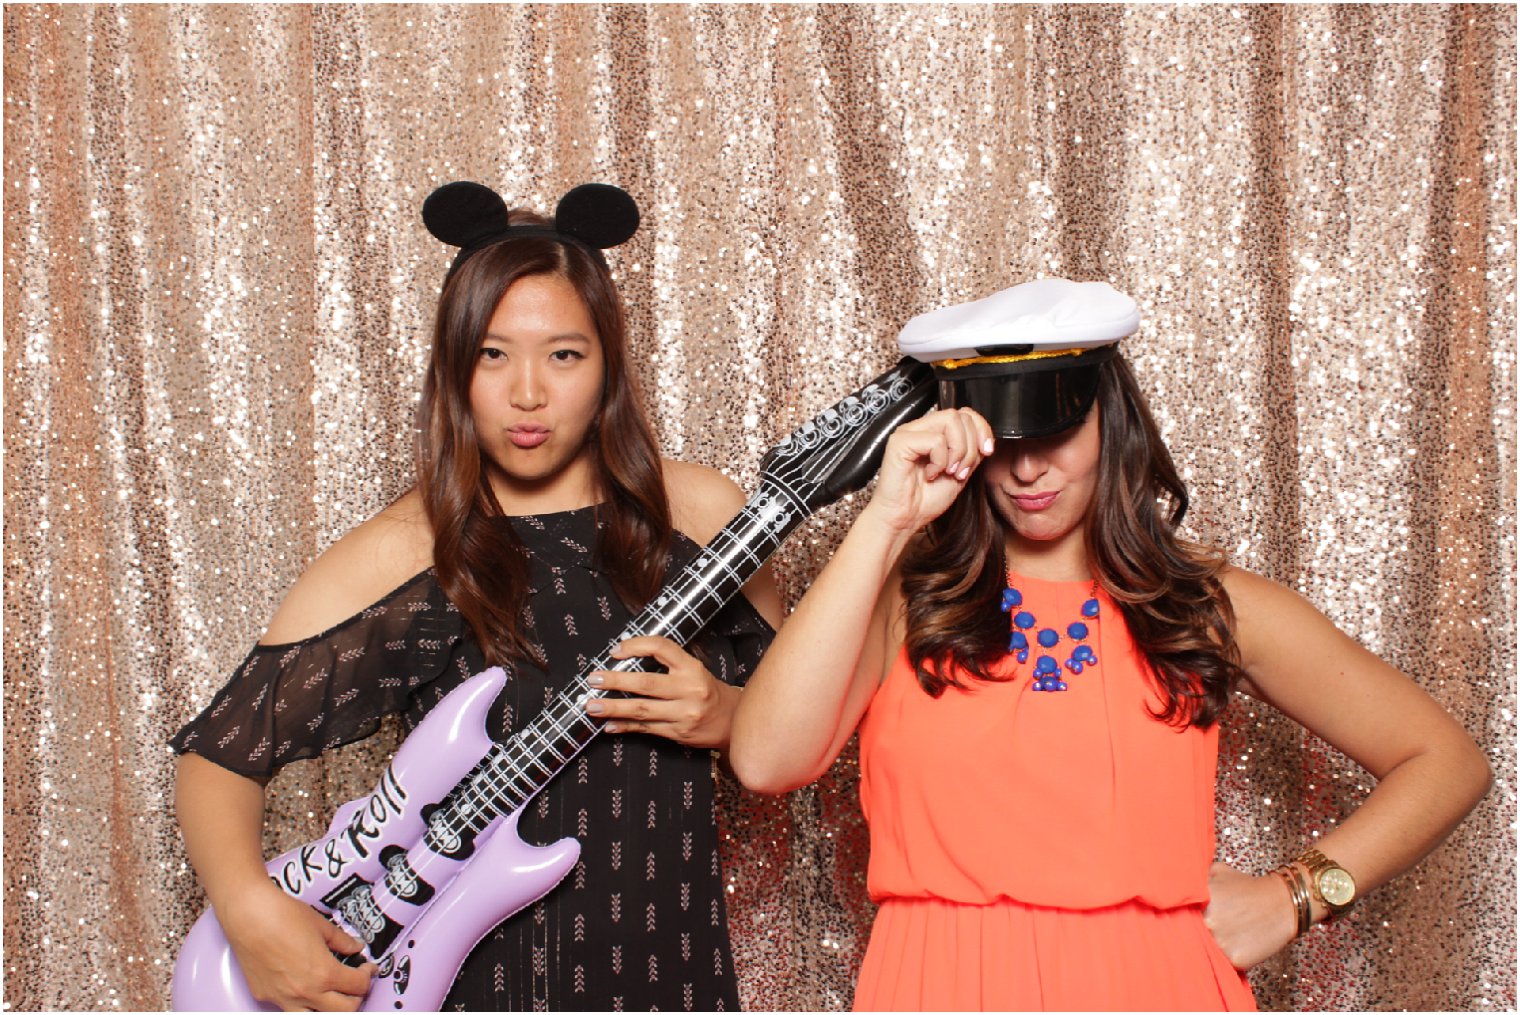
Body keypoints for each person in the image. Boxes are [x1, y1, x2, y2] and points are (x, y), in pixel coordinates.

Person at [728, 278, 1491, 1011]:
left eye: (1056, 429)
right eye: (1007, 436)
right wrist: (885, 519)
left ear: (1110, 417)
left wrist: (1293, 895)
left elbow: (1445, 759)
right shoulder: (905, 598)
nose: (1028, 467)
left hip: (1158, 986)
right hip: (940, 982)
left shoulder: (1205, 605)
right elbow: (766, 759)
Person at [171, 181, 782, 1012]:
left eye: (564, 354)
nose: (527, 391)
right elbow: (217, 758)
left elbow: (805, 727)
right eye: (493, 354)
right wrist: (249, 913)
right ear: (454, 367)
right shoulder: (406, 550)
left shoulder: (704, 517)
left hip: (667, 970)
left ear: (607, 366)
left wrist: (729, 715)